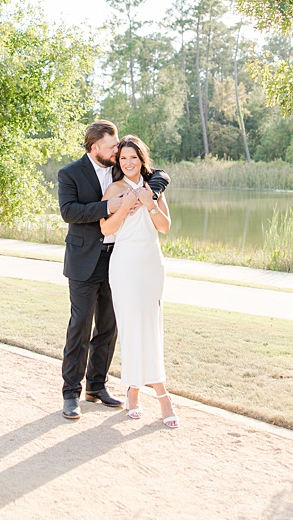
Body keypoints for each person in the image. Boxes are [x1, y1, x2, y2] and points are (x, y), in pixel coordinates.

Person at [55, 119, 169, 420]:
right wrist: (111, 206)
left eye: (118, 145)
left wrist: (154, 190)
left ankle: (97, 385)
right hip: (85, 260)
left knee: (109, 326)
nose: (117, 149)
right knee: (80, 325)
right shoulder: (69, 174)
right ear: (96, 148)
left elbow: (156, 173)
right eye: (112, 146)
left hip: (118, 259)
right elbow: (69, 212)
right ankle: (71, 393)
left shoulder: (120, 167)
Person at [100, 135, 178, 428]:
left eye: (133, 157)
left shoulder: (153, 188)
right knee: (132, 328)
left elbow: (165, 227)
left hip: (151, 265)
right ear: (118, 163)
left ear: (141, 159)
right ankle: (147, 393)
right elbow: (106, 228)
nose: (128, 163)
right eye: (123, 159)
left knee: (152, 328)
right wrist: (125, 206)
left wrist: (149, 203)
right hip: (124, 266)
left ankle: (143, 390)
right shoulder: (115, 188)